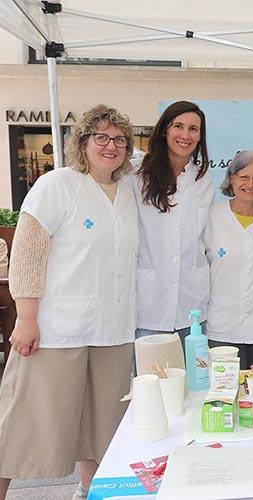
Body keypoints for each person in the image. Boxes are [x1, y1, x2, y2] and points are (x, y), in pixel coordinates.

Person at [0, 105, 138, 500]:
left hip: (112, 331)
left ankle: (90, 489)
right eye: (101, 137)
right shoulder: (57, 185)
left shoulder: (127, 191)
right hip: (57, 330)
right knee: (26, 426)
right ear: (82, 141)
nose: (111, 146)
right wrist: (26, 318)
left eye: (119, 139)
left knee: (102, 427)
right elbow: (27, 254)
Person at [127, 101, 213, 347]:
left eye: (193, 129)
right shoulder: (135, 175)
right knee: (149, 371)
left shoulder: (203, 180)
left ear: (200, 137)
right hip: (149, 305)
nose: (186, 135)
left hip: (192, 305)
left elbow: (204, 238)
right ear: (165, 130)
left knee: (195, 371)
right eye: (178, 126)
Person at [204, 151, 253, 369]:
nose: (250, 184)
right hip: (222, 325)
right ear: (231, 179)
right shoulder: (211, 216)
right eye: (244, 177)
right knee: (226, 383)